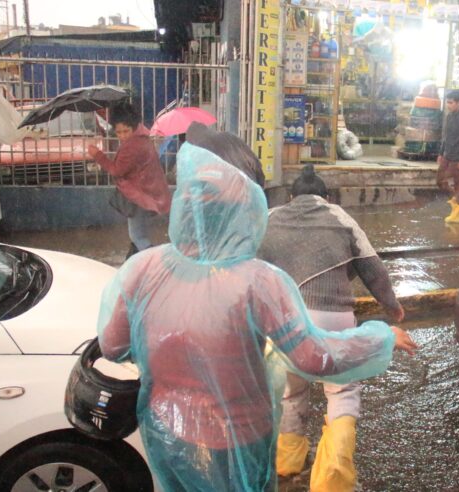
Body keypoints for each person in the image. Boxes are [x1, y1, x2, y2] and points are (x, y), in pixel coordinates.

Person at [96, 143, 417, 492]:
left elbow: (113, 347)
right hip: (239, 436)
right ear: (242, 212)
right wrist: (381, 338)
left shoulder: (142, 268)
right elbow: (313, 356)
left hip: (168, 430)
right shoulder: (258, 281)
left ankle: (291, 457)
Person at [257, 164, 407, 492]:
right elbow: (372, 267)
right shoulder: (340, 217)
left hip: (284, 324)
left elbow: (248, 265)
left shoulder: (269, 218)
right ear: (326, 196)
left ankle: (287, 461)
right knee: (341, 391)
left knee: (290, 391)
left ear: (292, 196)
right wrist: (391, 305)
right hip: (334, 320)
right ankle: (332, 479)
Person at [87, 103, 171, 258]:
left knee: (138, 237)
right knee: (139, 235)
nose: (123, 136)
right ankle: (135, 266)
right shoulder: (142, 137)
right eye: (118, 132)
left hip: (139, 196)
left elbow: (117, 170)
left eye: (126, 131)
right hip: (147, 192)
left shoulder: (133, 145)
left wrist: (97, 155)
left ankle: (157, 264)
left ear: (133, 127)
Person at [186, 121, 266, 187]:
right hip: (251, 191)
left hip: (227, 199)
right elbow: (255, 164)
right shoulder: (231, 137)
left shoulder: (200, 151)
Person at [437, 90, 459, 224]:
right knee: (440, 180)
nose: (448, 105)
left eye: (450, 102)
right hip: (447, 154)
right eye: (447, 102)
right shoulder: (450, 116)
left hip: (458, 157)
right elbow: (446, 136)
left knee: (458, 183)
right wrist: (441, 152)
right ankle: (457, 202)